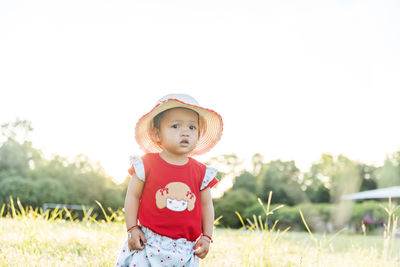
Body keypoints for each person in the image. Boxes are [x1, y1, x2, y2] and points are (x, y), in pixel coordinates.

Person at [115, 94, 223, 267]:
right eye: (175, 126)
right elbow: (133, 196)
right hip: (149, 242)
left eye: (192, 127)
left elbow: (206, 206)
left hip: (184, 248)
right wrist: (132, 228)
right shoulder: (146, 164)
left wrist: (207, 236)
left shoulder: (201, 172)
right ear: (157, 134)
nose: (185, 131)